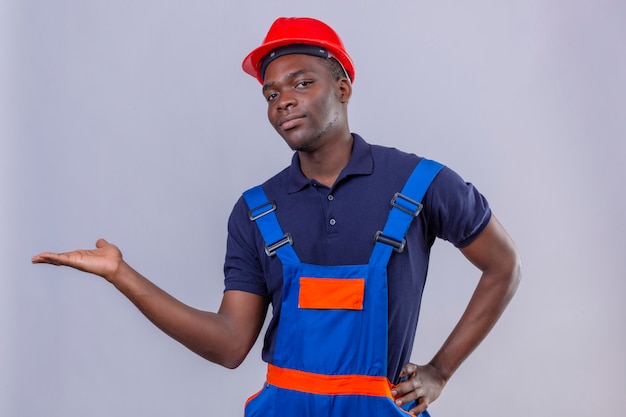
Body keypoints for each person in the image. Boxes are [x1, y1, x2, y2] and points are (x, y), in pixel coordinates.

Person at [32, 17, 521, 416]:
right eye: (270, 93)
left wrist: (440, 371)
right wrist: (121, 274)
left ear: (343, 88)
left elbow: (504, 267)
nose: (283, 99)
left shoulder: (421, 184)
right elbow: (228, 345)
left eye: (301, 83)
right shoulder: (255, 211)